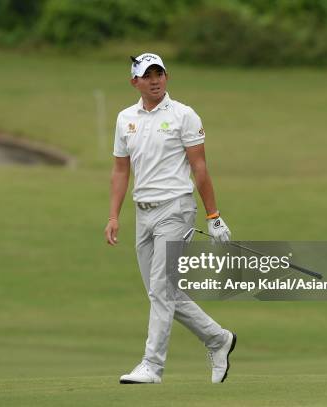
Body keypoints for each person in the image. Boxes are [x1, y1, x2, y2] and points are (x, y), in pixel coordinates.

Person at [104, 53, 236, 384]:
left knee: (161, 289)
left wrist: (214, 215)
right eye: (147, 75)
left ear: (167, 76)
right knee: (162, 292)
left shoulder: (184, 115)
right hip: (142, 212)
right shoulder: (125, 119)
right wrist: (113, 216)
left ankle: (152, 365)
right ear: (134, 81)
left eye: (159, 73)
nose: (154, 80)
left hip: (176, 209)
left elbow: (199, 168)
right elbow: (121, 170)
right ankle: (218, 338)